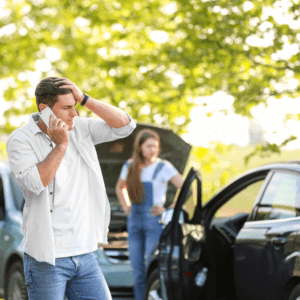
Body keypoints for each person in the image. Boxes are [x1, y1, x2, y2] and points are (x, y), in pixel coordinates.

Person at [6, 77, 136, 300]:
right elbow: (35, 182)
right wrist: (61, 145)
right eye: (67, 108)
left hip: (85, 255)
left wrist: (85, 99)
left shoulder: (82, 128)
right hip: (46, 259)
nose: (74, 113)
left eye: (74, 106)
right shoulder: (20, 139)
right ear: (44, 110)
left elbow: (126, 126)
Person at [115, 129, 184, 300]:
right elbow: (119, 187)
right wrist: (126, 206)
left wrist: (169, 209)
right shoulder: (130, 165)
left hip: (154, 223)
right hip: (134, 223)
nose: (152, 150)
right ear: (140, 148)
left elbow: (185, 186)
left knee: (151, 267)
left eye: (155, 146)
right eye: (149, 146)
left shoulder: (163, 167)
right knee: (137, 271)